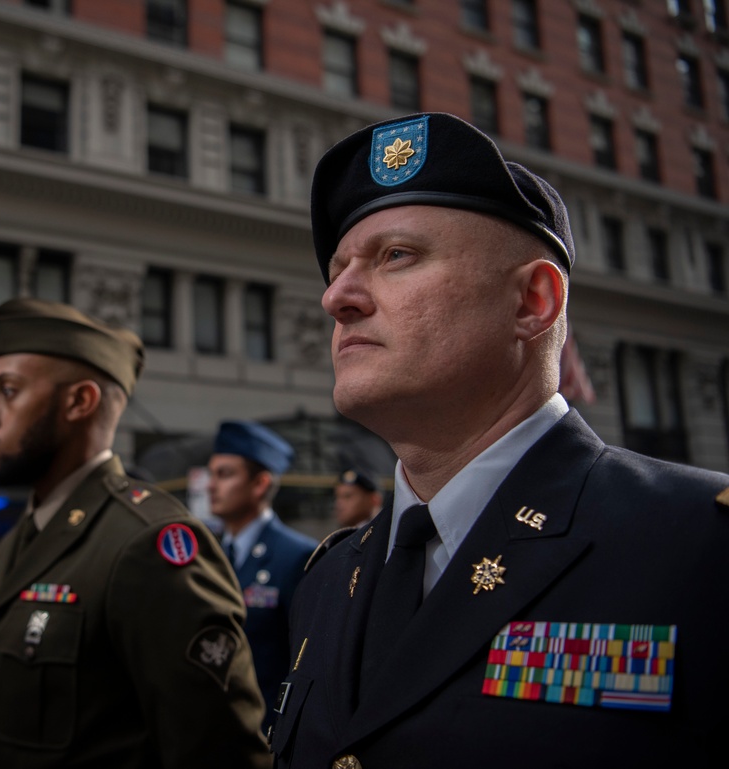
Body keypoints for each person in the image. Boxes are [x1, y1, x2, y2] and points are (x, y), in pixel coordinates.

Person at [268, 112, 729, 768]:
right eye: (339, 268)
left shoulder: (701, 548)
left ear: (531, 302)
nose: (336, 297)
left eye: (396, 255)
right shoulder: (328, 579)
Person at [0, 298, 270, 768]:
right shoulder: (17, 541)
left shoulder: (147, 542)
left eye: (8, 391)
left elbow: (221, 752)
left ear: (79, 401)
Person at [207, 420, 317, 734]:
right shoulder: (210, 552)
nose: (211, 485)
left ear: (259, 484)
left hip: (264, 732)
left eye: (225, 474)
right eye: (212, 473)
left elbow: (303, 662)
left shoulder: (297, 556)